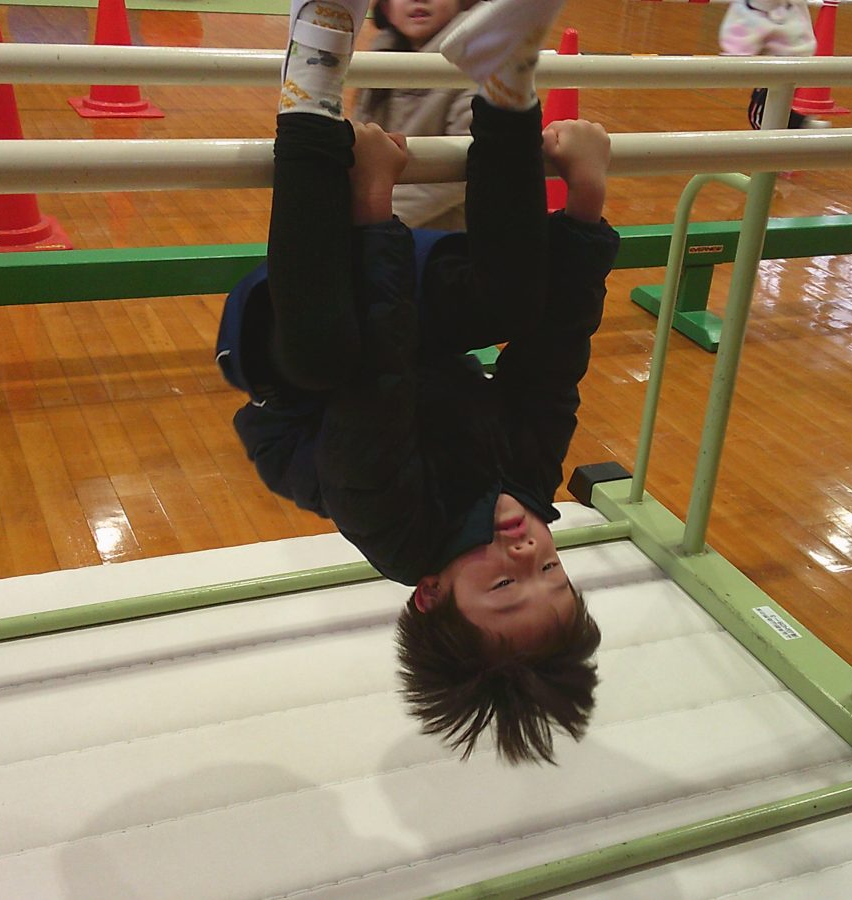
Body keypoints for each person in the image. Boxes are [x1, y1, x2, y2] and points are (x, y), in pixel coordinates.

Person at [216, 0, 621, 764]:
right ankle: (506, 84)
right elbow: (554, 358)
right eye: (551, 569)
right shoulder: (531, 481)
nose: (526, 552)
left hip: (294, 350)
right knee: (513, 301)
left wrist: (373, 205)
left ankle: (312, 72)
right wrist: (586, 204)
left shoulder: (391, 522)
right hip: (403, 340)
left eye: (504, 587)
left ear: (430, 592)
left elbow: (375, 377)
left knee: (323, 352)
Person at [354, 0, 478, 229]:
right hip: (388, 226)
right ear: (386, 7)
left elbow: (464, 172)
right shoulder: (378, 59)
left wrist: (372, 218)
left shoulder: (476, 59)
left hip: (448, 239)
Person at [717, 0, 828, 130]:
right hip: (794, 53)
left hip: (782, 59)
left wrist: (734, 56)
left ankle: (800, 126)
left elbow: (747, 26)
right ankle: (801, 124)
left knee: (760, 114)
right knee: (773, 103)